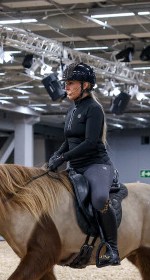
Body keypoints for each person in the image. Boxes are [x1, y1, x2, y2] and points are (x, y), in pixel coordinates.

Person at [46, 61, 120, 267]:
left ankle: (112, 248)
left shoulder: (94, 109)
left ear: (85, 85)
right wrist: (56, 155)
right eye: (66, 83)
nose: (66, 87)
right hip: (75, 166)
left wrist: (64, 158)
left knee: (98, 199)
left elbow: (91, 142)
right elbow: (69, 140)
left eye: (70, 83)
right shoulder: (72, 110)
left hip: (96, 165)